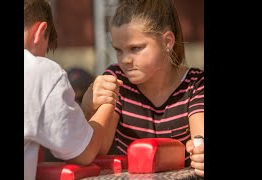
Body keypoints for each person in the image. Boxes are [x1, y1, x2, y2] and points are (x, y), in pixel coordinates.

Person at [81, 0, 204, 177]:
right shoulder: (116, 79)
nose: (125, 60)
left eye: (135, 48)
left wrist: (200, 156)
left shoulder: (195, 84)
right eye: (118, 50)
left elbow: (201, 142)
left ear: (167, 41)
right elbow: (96, 150)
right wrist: (87, 110)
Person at [24, 0, 120, 180]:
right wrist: (109, 101)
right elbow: (84, 152)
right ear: (40, 32)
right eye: (46, 48)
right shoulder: (40, 71)